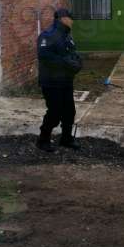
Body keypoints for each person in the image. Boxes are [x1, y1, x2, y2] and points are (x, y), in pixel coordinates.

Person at [36, 8, 83, 152]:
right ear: (63, 18)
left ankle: (66, 139)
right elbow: (45, 57)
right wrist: (66, 63)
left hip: (66, 81)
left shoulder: (67, 35)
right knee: (54, 112)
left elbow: (72, 53)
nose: (72, 21)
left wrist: (78, 62)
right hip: (51, 82)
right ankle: (43, 140)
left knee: (69, 111)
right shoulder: (47, 35)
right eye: (71, 18)